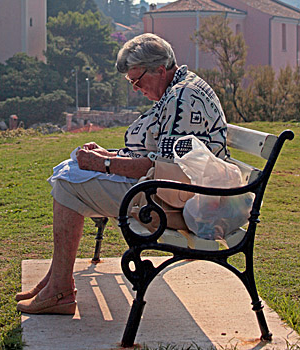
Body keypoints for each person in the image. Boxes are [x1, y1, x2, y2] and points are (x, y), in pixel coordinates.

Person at [16, 33, 227, 315]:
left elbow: (165, 169)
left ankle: (60, 291)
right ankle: (56, 280)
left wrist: (103, 164)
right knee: (71, 171)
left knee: (68, 184)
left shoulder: (183, 98)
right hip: (169, 192)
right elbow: (156, 157)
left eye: (137, 81)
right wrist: (108, 156)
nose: (135, 89)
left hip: (177, 204)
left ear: (160, 70)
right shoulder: (178, 90)